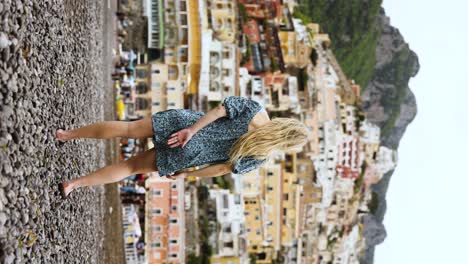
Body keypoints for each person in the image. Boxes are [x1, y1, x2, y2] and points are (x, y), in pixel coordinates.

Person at [56, 96, 309, 198]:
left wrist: (191, 130)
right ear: (286, 144)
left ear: (286, 121)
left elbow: (220, 110)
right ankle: (74, 184)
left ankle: (67, 134)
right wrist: (189, 174)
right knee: (130, 166)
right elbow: (222, 169)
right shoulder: (261, 155)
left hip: (185, 125)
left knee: (128, 129)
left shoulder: (256, 110)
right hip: (189, 155)